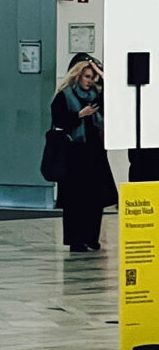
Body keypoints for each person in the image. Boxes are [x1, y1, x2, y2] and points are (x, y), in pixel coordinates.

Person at [51, 60, 117, 252]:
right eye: (87, 77)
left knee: (95, 199)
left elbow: (109, 95)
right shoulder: (64, 96)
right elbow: (59, 121)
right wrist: (80, 114)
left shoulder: (95, 95)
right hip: (74, 153)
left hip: (94, 153)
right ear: (77, 75)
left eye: (93, 77)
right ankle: (76, 240)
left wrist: (102, 74)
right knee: (75, 200)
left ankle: (92, 238)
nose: (90, 81)